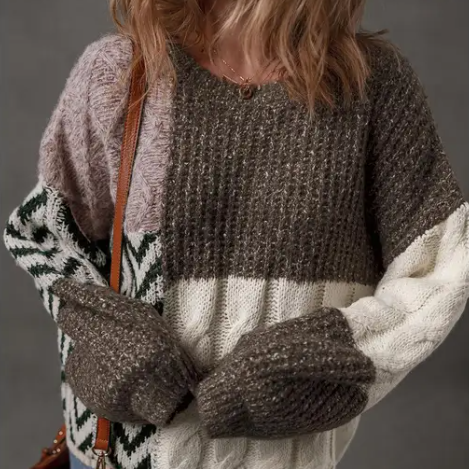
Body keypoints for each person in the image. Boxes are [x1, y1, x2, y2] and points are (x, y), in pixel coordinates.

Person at [4, 0, 469, 468]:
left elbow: (442, 266)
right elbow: (46, 232)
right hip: (118, 456)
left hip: (282, 460)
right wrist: (111, 337)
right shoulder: (123, 71)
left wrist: (312, 360)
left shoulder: (370, 85)